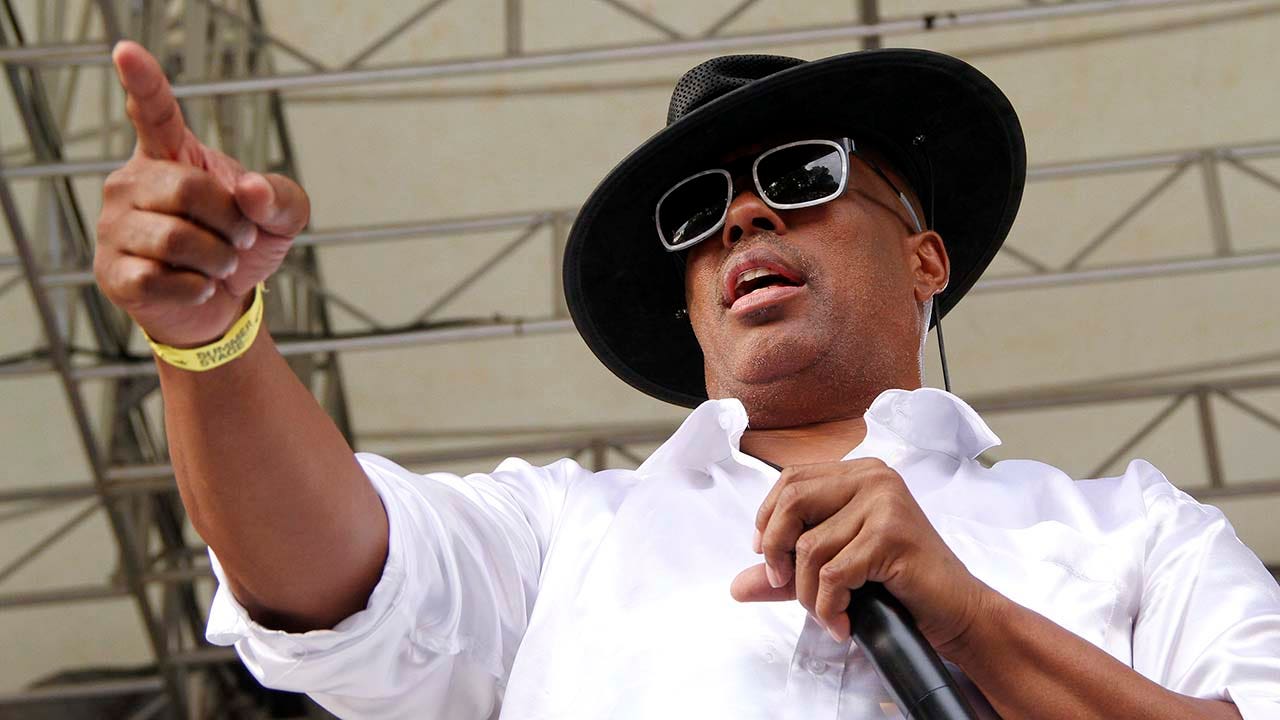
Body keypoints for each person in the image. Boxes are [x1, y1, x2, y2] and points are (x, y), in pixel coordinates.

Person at [93, 40, 1280, 719]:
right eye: (697, 213)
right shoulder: (559, 533)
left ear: (926, 259)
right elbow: (321, 576)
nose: (742, 217)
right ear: (692, 298)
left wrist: (972, 620)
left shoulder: (1135, 531)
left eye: (801, 176)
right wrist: (210, 334)